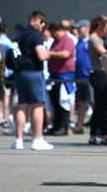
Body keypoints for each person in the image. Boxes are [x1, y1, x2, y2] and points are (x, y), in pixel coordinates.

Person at [10, 11, 53, 150]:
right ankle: (37, 139)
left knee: (22, 104)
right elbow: (41, 55)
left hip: (19, 73)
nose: (43, 27)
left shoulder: (20, 35)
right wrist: (49, 54)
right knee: (37, 105)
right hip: (33, 72)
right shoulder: (35, 36)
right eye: (42, 23)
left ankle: (18, 140)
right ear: (37, 21)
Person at [87, 15, 107, 145]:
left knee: (101, 106)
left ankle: (94, 135)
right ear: (100, 27)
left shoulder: (100, 38)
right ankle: (103, 135)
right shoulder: (95, 38)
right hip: (99, 73)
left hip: (102, 73)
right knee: (102, 106)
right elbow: (103, 52)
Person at [45, 22, 76, 136]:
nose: (54, 34)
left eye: (54, 32)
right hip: (55, 76)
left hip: (64, 76)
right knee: (55, 103)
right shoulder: (55, 41)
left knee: (64, 103)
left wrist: (49, 53)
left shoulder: (67, 40)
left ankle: (64, 127)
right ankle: (56, 126)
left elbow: (65, 54)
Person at [73, 19, 91, 135]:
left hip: (90, 76)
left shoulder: (92, 41)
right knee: (80, 102)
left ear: (85, 28)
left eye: (80, 28)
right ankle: (79, 125)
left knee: (94, 102)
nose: (78, 30)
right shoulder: (78, 42)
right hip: (79, 76)